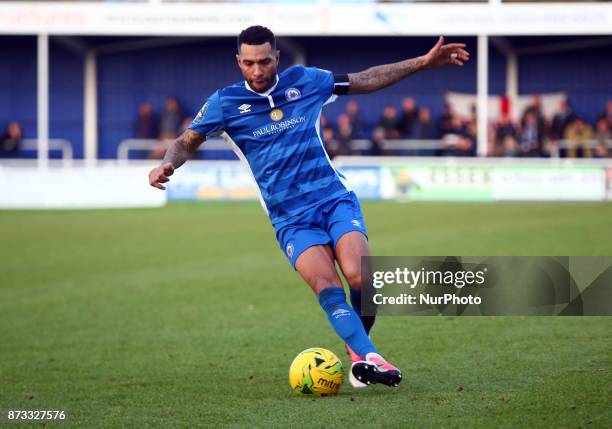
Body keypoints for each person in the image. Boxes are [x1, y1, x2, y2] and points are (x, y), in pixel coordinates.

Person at [148, 26, 469, 389]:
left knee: (361, 276)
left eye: (265, 61)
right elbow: (185, 140)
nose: (257, 71)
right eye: (249, 63)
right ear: (239, 62)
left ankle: (358, 350)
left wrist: (423, 63)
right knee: (327, 286)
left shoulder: (308, 81)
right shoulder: (225, 103)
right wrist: (168, 163)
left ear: (277, 58)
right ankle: (370, 355)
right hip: (290, 219)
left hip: (333, 199)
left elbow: (364, 80)